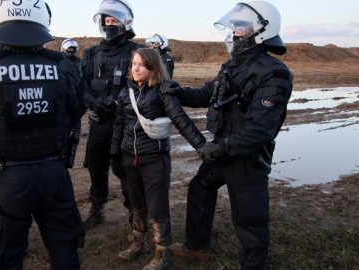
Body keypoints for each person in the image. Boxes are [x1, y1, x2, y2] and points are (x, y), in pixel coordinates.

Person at [0, 1, 85, 269]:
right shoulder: (62, 65)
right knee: (64, 250)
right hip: (54, 173)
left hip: (6, 178)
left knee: (5, 256)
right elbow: (76, 108)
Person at [161, 2, 294, 269]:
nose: (234, 33)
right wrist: (179, 91)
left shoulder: (275, 73)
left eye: (240, 27)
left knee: (249, 220)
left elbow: (260, 130)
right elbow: (209, 94)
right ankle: (197, 247)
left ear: (260, 32)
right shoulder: (231, 66)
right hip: (220, 150)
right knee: (200, 189)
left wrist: (219, 150)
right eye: (234, 27)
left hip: (247, 160)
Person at [111, 48, 206, 270]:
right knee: (137, 205)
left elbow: (181, 120)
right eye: (133, 63)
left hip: (154, 159)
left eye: (141, 65)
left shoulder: (163, 91)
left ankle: (162, 252)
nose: (135, 68)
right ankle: (138, 243)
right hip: (129, 159)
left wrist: (201, 146)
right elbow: (119, 126)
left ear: (152, 68)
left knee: (157, 209)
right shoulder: (125, 93)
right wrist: (115, 154)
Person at [80, 0, 146, 234]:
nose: (110, 24)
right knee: (96, 166)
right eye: (106, 21)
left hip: (125, 123)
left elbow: (138, 82)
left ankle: (133, 213)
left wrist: (117, 103)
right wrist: (95, 104)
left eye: (114, 20)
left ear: (124, 23)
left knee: (126, 167)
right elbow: (82, 84)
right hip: (98, 120)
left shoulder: (135, 52)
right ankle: (97, 208)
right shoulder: (91, 53)